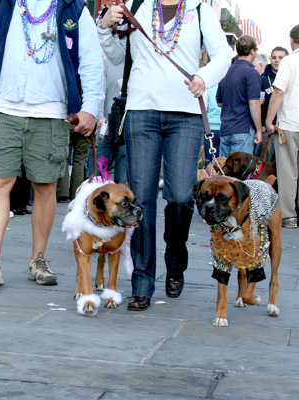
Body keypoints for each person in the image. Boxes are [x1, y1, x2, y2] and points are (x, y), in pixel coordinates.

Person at [0, 0, 104, 288]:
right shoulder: (1, 4)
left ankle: (38, 259)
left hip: (51, 111)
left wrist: (91, 106)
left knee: (46, 185)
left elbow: (90, 60)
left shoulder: (74, 7)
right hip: (4, 107)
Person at [98, 0, 231, 310]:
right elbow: (118, 57)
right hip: (142, 111)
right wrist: (105, 28)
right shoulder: (137, 5)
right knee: (140, 199)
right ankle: (142, 281)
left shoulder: (199, 10)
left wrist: (204, 77)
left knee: (181, 196)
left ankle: (175, 259)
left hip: (185, 112)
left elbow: (223, 53)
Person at [266, 25, 299, 229]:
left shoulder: (290, 61)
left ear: (291, 40)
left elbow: (278, 93)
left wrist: (269, 121)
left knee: (288, 171)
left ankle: (288, 215)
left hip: (290, 122)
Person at [217, 35, 262, 158]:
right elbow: (254, 103)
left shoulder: (226, 71)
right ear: (252, 51)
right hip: (243, 128)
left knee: (224, 174)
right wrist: (259, 130)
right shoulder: (251, 72)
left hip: (226, 128)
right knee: (239, 175)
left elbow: (219, 102)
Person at [86, 57, 127, 184]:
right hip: (108, 126)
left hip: (128, 128)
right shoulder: (108, 63)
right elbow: (99, 92)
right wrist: (100, 118)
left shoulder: (142, 64)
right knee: (97, 174)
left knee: (124, 179)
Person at [254, 46, 289, 161]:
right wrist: (261, 126)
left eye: (280, 58)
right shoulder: (262, 79)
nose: (276, 60)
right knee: (263, 164)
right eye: (274, 57)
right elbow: (255, 104)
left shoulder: (291, 77)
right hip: (267, 131)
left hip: (286, 129)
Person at [203, 84, 221, 162]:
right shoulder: (230, 84)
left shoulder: (209, 86)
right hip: (227, 127)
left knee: (210, 164)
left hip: (210, 129)